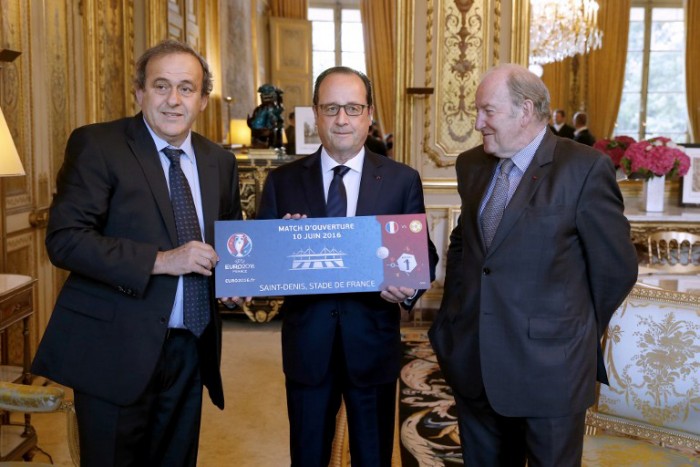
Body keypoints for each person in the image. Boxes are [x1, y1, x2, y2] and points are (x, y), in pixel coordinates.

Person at [31, 39, 244, 466]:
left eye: (187, 88)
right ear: (139, 92)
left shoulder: (218, 160)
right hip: (116, 346)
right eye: (160, 85)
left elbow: (226, 240)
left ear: (203, 100)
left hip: (191, 347)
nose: (173, 100)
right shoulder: (98, 145)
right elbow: (66, 239)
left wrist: (235, 282)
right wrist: (161, 260)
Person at [428, 63, 638, 466]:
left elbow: (616, 268)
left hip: (550, 370)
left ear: (525, 111)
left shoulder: (583, 168)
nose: (478, 123)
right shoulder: (471, 164)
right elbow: (464, 244)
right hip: (473, 360)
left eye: (488, 111)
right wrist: (452, 317)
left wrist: (570, 330)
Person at [257, 66, 438, 467]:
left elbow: (422, 251)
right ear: (316, 113)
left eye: (353, 108)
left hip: (372, 343)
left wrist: (408, 287)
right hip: (308, 347)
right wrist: (281, 246)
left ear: (369, 114)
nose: (342, 119)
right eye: (332, 108)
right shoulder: (282, 181)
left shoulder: (400, 180)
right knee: (307, 455)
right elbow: (263, 264)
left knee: (372, 456)